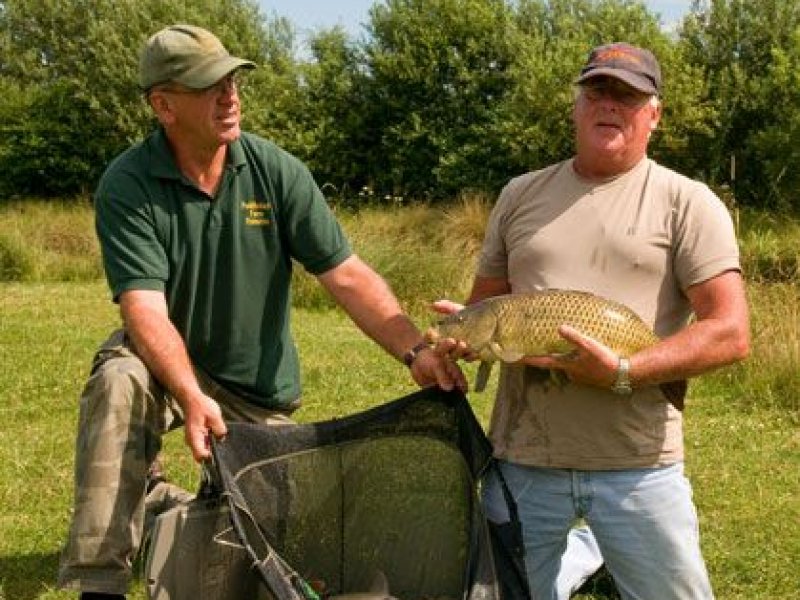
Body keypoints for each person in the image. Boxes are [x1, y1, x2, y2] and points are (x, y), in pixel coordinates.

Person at [57, 24, 465, 600]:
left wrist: (415, 351)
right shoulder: (128, 182)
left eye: (232, 80)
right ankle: (99, 582)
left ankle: (159, 504)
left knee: (274, 553)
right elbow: (144, 309)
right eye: (208, 86)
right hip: (167, 361)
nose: (229, 96)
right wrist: (192, 396)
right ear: (163, 105)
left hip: (255, 388)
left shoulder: (276, 171)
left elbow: (347, 275)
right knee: (120, 379)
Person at [433, 42, 750, 599]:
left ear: (654, 113)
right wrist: (465, 337)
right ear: (576, 105)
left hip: (639, 468)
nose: (610, 103)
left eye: (628, 95)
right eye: (598, 90)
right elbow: (486, 306)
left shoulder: (689, 203)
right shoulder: (520, 195)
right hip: (523, 460)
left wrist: (626, 371)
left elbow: (729, 331)